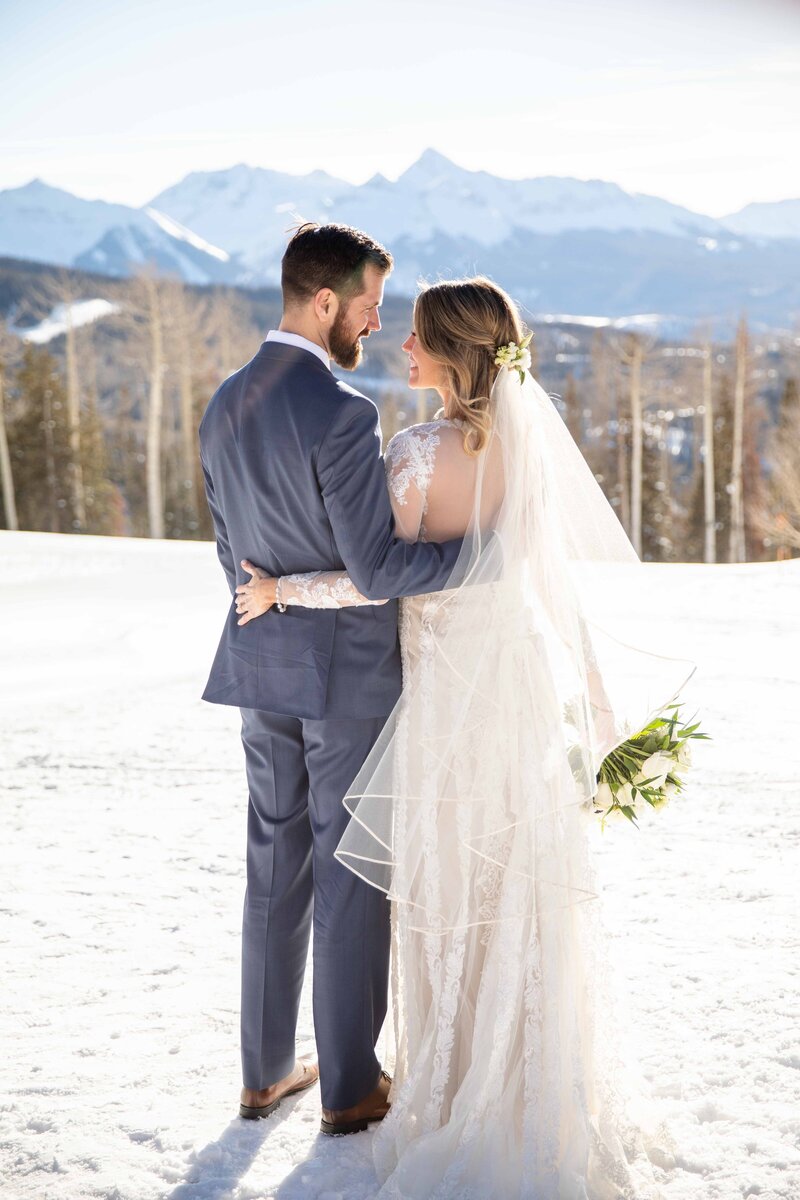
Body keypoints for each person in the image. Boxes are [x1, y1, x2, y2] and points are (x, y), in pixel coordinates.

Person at [235, 277, 680, 1198]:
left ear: (450, 352)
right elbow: (554, 586)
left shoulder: (417, 453)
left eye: (415, 337)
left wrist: (282, 591)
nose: (400, 346)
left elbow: (377, 575)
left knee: (445, 891)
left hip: (439, 701)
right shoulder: (529, 454)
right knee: (518, 878)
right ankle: (533, 1084)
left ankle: (450, 1092)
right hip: (514, 692)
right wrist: (597, 701)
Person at [199, 223, 467, 1136]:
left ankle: (264, 1073)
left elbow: (232, 555)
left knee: (274, 865)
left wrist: (267, 613)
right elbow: (382, 568)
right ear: (324, 304)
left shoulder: (222, 403)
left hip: (258, 657)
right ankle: (351, 1085)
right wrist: (480, 556)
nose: (375, 321)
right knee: (353, 874)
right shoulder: (344, 412)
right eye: (368, 305)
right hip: (346, 673)